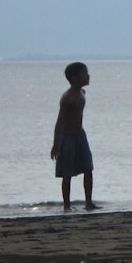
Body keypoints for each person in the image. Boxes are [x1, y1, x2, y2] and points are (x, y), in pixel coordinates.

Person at [51, 62, 99, 211]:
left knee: (88, 168)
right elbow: (59, 122)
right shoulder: (67, 98)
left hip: (80, 135)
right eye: (84, 73)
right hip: (67, 137)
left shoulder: (82, 93)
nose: (88, 76)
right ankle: (66, 205)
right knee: (67, 173)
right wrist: (56, 144)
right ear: (74, 78)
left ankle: (88, 202)